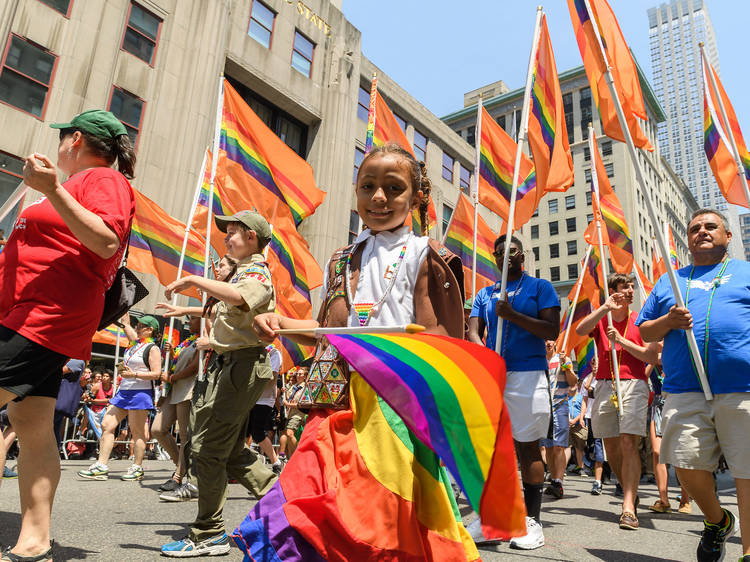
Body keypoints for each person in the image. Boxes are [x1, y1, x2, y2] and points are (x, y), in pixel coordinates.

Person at [244, 143, 474, 561]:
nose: (379, 198)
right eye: (368, 186)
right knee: (305, 499)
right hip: (333, 406)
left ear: (417, 197)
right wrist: (280, 323)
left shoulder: (429, 257)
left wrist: (396, 351)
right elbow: (330, 333)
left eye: (393, 187)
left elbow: (445, 343)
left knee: (380, 519)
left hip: (394, 411)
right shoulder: (341, 261)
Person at [0, 109, 135, 561]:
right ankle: (35, 539)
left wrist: (53, 188)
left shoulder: (102, 180)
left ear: (74, 139)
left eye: (62, 138)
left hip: (46, 316)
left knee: (30, 425)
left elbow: (106, 242)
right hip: (31, 314)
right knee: (32, 425)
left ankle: (36, 537)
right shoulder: (67, 189)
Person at [158, 211, 278, 558]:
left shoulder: (256, 270)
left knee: (209, 449)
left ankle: (209, 533)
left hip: (240, 366)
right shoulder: (241, 271)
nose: (227, 237)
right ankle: (288, 499)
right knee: (225, 449)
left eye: (235, 232)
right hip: (227, 367)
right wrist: (186, 311)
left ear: (252, 237)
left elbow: (241, 298)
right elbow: (225, 307)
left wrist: (194, 278)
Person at [637, 209, 750, 562]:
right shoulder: (669, 280)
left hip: (742, 387)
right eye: (694, 228)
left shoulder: (745, 273)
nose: (701, 232)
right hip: (685, 389)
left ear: (727, 236)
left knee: (747, 471)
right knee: (685, 464)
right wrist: (668, 320)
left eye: (710, 227)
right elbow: (644, 331)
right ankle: (718, 521)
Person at [468, 234, 560, 549]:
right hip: (494, 376)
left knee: (528, 448)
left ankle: (531, 521)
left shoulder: (540, 288)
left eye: (512, 250)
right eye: (499, 252)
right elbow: (473, 332)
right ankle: (494, 519)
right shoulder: (484, 293)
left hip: (529, 376)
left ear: (523, 255)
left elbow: (551, 330)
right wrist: (486, 357)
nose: (505, 255)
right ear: (493, 258)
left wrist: (513, 316)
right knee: (492, 452)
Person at [575, 273, 659, 531]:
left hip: (634, 384)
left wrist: (621, 341)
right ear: (613, 291)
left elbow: (652, 356)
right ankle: (629, 490)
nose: (631, 290)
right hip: (603, 385)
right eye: (625, 287)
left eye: (632, 286)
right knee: (610, 446)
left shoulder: (642, 320)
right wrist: (603, 308)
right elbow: (578, 330)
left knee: (628, 442)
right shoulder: (603, 318)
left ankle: (628, 507)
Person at [77, 315, 163, 481]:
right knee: (106, 424)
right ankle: (101, 466)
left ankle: (137, 467)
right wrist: (125, 319)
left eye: (141, 326)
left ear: (150, 330)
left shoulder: (152, 348)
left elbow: (157, 373)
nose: (137, 328)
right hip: (123, 392)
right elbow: (126, 327)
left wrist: (135, 373)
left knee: (137, 432)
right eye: (136, 325)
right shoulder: (135, 344)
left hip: (140, 393)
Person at [153, 316, 201, 501]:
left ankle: (178, 477)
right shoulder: (188, 341)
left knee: (185, 437)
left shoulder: (204, 340)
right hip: (173, 390)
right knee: (157, 429)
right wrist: (173, 352)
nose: (189, 322)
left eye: (193, 319)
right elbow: (178, 363)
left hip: (187, 390)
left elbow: (195, 367)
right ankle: (181, 466)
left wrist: (172, 378)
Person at [540, 340, 577, 499]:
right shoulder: (539, 360)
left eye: (550, 340)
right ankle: (554, 480)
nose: (547, 343)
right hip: (543, 407)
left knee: (559, 446)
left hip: (560, 405)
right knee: (548, 446)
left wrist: (566, 367)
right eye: (545, 339)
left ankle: (559, 481)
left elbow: (573, 382)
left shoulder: (564, 359)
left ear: (555, 342)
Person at [245, 344, 283, 474]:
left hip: (264, 399)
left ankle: (275, 461)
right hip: (248, 397)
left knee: (257, 432)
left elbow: (271, 378)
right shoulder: (251, 350)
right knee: (244, 432)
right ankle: (242, 464)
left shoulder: (274, 353)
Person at [280, 367, 306, 459]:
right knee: (288, 435)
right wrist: (285, 392)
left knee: (289, 433)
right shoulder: (293, 387)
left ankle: (297, 456)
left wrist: (288, 404)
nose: (298, 375)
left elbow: (302, 404)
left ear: (305, 376)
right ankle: (291, 458)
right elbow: (288, 398)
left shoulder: (305, 388)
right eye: (297, 374)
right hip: (289, 414)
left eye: (300, 374)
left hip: (298, 414)